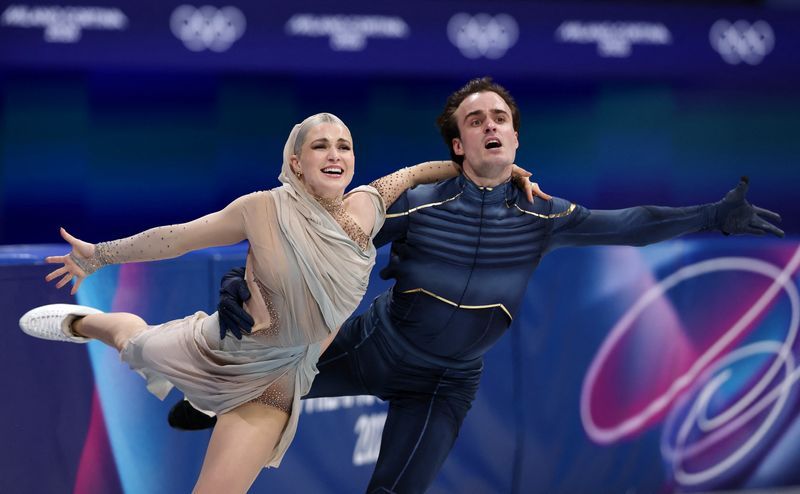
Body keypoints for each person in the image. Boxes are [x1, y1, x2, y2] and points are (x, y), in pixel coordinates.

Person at [170, 77, 785, 493]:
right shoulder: (415, 205)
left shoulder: (544, 216)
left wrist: (711, 216)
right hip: (372, 348)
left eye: (501, 118)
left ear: (514, 138)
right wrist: (235, 281)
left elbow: (632, 225)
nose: (490, 124)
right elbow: (303, 249)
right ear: (458, 144)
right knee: (255, 380)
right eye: (475, 119)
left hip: (447, 382)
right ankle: (213, 395)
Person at [19, 113, 542, 494]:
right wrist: (101, 255)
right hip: (221, 349)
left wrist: (493, 172)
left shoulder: (367, 206)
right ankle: (86, 322)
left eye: (344, 145)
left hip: (276, 381)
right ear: (296, 161)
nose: (335, 154)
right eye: (321, 146)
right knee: (130, 341)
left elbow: (416, 173)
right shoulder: (261, 208)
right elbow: (177, 238)